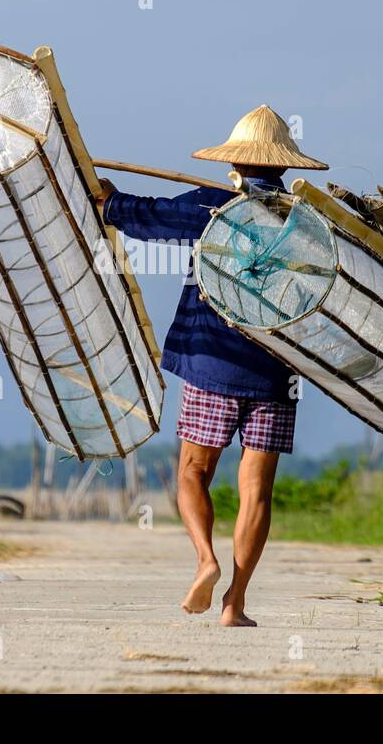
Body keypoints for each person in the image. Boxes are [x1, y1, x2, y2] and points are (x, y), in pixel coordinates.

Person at [96, 105, 329, 626]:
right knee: (256, 491)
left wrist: (112, 202)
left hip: (212, 364)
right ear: (285, 169)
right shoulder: (308, 222)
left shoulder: (212, 207)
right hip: (277, 369)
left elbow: (148, 218)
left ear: (235, 166)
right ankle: (236, 602)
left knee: (193, 472)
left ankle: (205, 560)